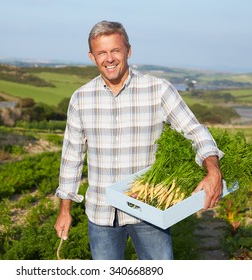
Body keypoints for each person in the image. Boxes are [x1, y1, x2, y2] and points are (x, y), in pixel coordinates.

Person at [54, 20, 223, 260]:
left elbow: (195, 130)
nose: (109, 58)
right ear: (92, 57)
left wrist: (213, 170)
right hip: (101, 213)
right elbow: (71, 158)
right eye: (102, 52)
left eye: (115, 50)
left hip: (149, 211)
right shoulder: (81, 98)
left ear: (128, 51)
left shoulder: (158, 89)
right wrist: (64, 210)